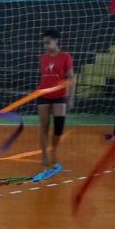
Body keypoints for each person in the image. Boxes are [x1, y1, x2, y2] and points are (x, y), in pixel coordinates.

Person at [37, 29, 75, 168]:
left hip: (60, 95)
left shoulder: (65, 56)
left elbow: (71, 78)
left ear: (56, 41)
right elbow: (45, 76)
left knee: (59, 127)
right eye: (44, 43)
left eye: (48, 42)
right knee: (44, 126)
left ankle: (54, 150)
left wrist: (71, 98)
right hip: (44, 95)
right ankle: (44, 155)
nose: (46, 46)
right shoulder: (43, 57)